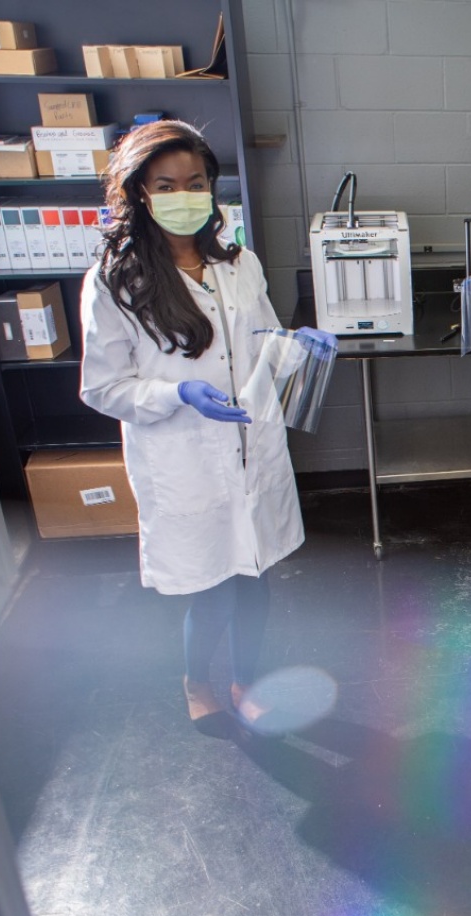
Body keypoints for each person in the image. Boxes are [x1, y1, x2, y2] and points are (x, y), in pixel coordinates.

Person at [79, 120, 335, 735]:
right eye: (166, 184)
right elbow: (101, 388)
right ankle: (197, 680)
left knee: (255, 576)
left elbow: (263, 339)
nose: (183, 194)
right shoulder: (115, 282)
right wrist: (178, 393)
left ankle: (247, 679)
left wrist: (299, 344)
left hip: (252, 447)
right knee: (211, 587)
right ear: (141, 191)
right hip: (184, 458)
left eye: (195, 182)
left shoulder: (238, 262)